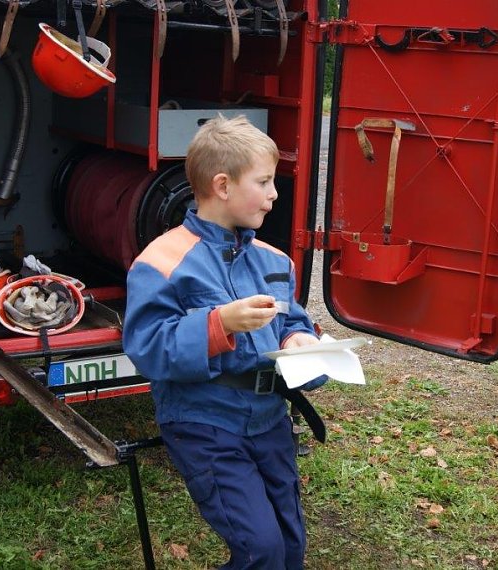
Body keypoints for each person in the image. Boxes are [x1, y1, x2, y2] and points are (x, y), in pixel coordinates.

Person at [122, 115, 326, 569]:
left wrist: (298, 341)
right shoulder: (163, 262)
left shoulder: (273, 260)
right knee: (262, 550)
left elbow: (292, 319)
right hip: (205, 422)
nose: (275, 194)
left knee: (290, 548)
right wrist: (219, 325)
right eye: (265, 181)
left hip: (270, 420)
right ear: (223, 185)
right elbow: (147, 346)